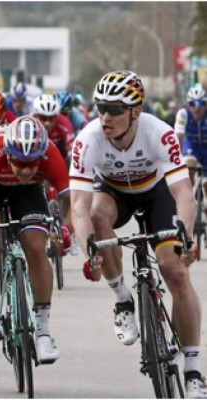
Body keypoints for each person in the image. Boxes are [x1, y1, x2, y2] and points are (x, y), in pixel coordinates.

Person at [69, 70, 207, 398]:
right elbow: (78, 205)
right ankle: (122, 300)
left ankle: (192, 369)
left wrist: (186, 237)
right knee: (97, 218)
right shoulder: (87, 139)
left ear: (135, 111)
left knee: (174, 272)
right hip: (115, 192)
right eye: (100, 107)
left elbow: (184, 194)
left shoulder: (159, 133)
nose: (105, 116)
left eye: (115, 109)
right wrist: (90, 250)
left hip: (157, 191)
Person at [0, 116, 70, 364]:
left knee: (36, 247)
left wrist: (66, 230)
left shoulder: (50, 154)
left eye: (32, 163)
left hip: (29, 192)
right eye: (19, 162)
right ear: (8, 153)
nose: (26, 169)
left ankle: (43, 331)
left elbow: (71, 203)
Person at [175, 86, 207, 187]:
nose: (197, 108)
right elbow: (179, 136)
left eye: (200, 103)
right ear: (189, 105)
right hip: (191, 146)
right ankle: (189, 199)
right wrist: (178, 158)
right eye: (193, 104)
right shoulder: (183, 114)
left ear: (205, 105)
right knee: (188, 172)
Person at [31, 94, 75, 164]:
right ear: (35, 116)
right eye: (43, 118)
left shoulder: (64, 123)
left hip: (56, 160)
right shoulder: (28, 124)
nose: (47, 123)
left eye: (51, 119)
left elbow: (72, 153)